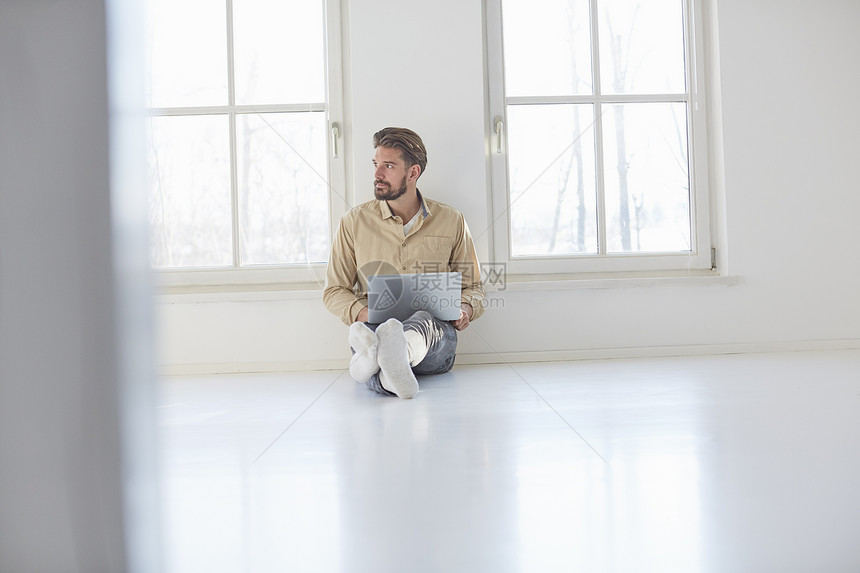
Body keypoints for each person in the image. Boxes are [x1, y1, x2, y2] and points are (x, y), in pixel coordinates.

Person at [323, 127, 486, 399]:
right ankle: (388, 371)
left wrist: (466, 308)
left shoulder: (452, 219)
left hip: (435, 338)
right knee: (373, 333)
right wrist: (367, 315)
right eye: (376, 164)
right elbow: (334, 291)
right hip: (376, 326)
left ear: (413, 173)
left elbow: (474, 286)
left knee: (421, 320)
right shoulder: (353, 222)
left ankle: (374, 360)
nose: (377, 174)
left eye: (388, 166)